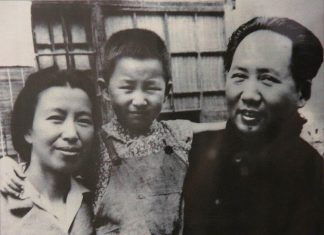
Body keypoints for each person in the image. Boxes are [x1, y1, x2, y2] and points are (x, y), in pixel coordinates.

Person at [1, 29, 225, 235]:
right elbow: (49, 163)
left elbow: (228, 128)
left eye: (151, 87)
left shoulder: (179, 134)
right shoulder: (95, 144)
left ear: (167, 92)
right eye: (127, 87)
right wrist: (7, 165)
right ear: (105, 90)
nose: (139, 100)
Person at [183, 17, 324, 235]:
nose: (248, 95)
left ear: (302, 93)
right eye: (239, 76)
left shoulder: (315, 175)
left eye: (267, 79)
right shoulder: (195, 152)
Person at [0, 67, 98, 234]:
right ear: (27, 130)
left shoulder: (97, 199)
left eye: (83, 120)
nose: (71, 134)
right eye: (56, 119)